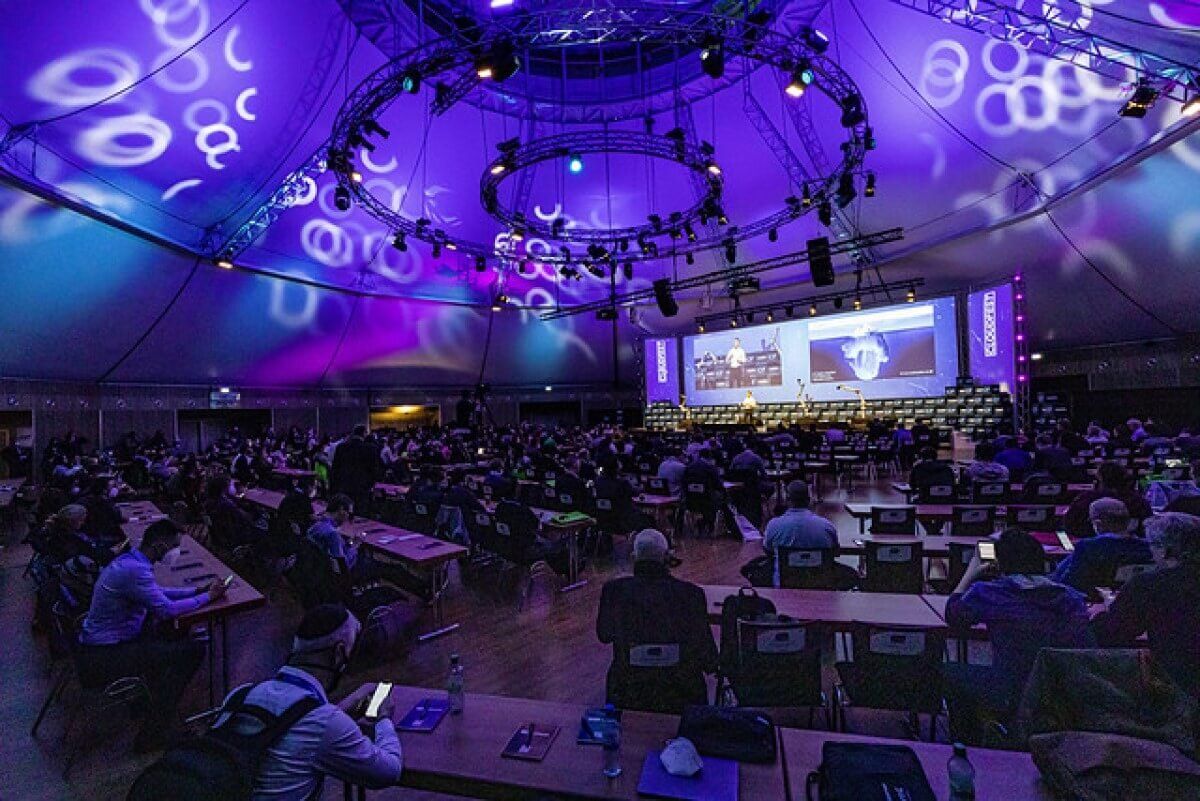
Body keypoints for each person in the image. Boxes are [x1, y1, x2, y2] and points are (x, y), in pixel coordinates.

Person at [227, 604, 403, 799]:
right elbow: (389, 772)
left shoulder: (239, 695)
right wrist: (383, 719)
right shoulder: (324, 722)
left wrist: (343, 707)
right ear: (339, 653)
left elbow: (291, 724)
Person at [78, 519, 227, 749]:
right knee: (193, 650)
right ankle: (153, 733)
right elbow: (167, 610)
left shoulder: (130, 561)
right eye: (174, 546)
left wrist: (196, 591)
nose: (176, 551)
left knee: (170, 635)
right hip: (105, 655)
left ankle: (148, 700)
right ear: (159, 546)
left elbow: (158, 592)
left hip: (100, 645)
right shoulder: (135, 571)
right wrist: (208, 597)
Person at [941, 528, 1091, 744]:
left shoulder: (989, 593)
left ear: (1000, 564)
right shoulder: (1071, 598)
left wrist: (971, 573)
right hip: (1063, 692)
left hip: (1011, 688)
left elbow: (953, 614)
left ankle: (969, 745)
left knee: (949, 673)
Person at [595, 530, 717, 714]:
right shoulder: (691, 594)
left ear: (634, 557)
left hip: (628, 688)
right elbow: (705, 648)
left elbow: (604, 635)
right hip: (680, 691)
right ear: (667, 557)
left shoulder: (614, 591)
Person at [1092, 513, 1200, 698]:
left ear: (1164, 550)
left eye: (1152, 545)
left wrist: (1099, 614)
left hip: (1177, 685)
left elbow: (1113, 633)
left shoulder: (1149, 584)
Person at [1051, 498, 1152, 596]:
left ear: (1098, 524)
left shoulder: (1089, 547)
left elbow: (1069, 583)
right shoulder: (1148, 546)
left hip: (1093, 601)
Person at [1062, 462, 1152, 538]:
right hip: (1131, 548)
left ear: (1100, 479)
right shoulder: (1139, 501)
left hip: (1094, 547)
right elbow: (1147, 528)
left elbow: (1069, 525)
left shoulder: (1086, 499)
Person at [762, 481, 838, 553]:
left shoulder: (773, 525)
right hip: (819, 563)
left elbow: (767, 549)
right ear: (809, 500)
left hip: (785, 563)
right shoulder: (826, 526)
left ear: (787, 500)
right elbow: (835, 550)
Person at [330, 425, 380, 514]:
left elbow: (335, 468)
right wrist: (370, 484)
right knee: (360, 513)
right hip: (362, 486)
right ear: (364, 433)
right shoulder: (371, 448)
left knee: (345, 512)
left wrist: (336, 485)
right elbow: (374, 470)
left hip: (344, 485)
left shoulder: (341, 447)